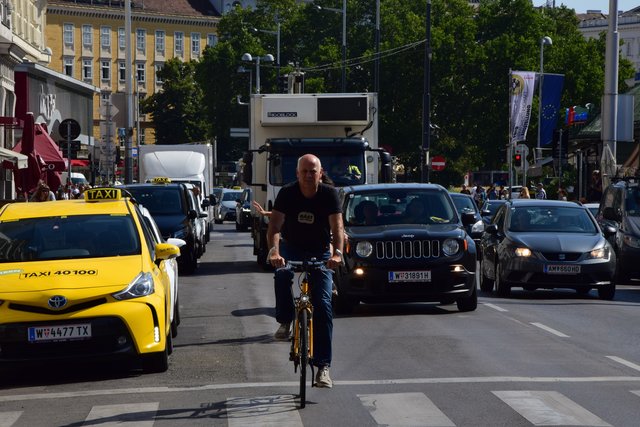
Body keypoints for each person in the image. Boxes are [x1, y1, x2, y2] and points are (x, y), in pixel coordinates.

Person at [267, 154, 343, 389]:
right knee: (281, 274)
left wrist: (337, 254)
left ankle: (323, 368)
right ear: (297, 173)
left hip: (320, 252)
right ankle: (285, 320)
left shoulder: (329, 194)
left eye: (313, 171)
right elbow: (275, 227)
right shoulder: (287, 194)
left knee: (323, 305)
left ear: (321, 173)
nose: (309, 176)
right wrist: (274, 251)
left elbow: (337, 227)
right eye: (305, 172)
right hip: (291, 248)